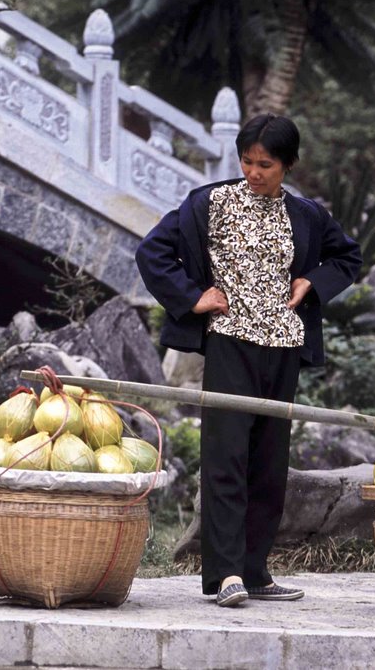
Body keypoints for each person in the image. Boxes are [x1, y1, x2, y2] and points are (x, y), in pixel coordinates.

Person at [135, 113, 362, 607]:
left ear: (288, 165)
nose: (254, 172)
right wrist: (194, 298)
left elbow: (347, 257)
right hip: (230, 343)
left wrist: (311, 283)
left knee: (268, 462)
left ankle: (256, 571)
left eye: (266, 164)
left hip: (283, 346)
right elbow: (152, 252)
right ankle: (224, 575)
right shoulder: (209, 203)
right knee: (226, 457)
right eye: (247, 161)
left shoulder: (306, 215)